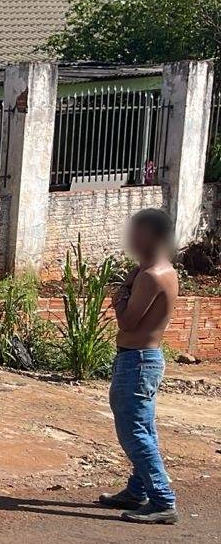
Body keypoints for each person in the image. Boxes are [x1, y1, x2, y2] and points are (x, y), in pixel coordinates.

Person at [98, 208, 181, 525]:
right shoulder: (156, 270)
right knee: (142, 430)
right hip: (140, 359)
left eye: (138, 231)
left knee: (134, 432)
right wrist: (129, 282)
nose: (131, 237)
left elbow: (129, 321)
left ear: (155, 236)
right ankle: (138, 490)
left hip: (137, 360)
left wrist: (119, 297)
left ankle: (162, 499)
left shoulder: (151, 275)